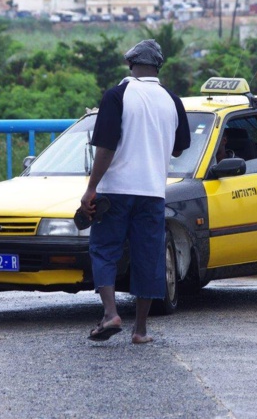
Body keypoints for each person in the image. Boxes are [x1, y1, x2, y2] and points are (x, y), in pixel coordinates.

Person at [79, 39, 191, 344]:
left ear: (131, 64)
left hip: (115, 191)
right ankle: (140, 330)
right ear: (158, 67)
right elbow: (181, 148)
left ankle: (111, 313)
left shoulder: (118, 95)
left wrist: (91, 188)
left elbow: (106, 146)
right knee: (149, 256)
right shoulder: (172, 100)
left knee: (104, 250)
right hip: (153, 192)